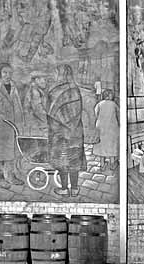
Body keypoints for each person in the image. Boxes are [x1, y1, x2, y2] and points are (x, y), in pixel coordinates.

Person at [47, 64, 85, 197]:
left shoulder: (56, 91)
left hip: (60, 132)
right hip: (75, 132)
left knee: (63, 161)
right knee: (74, 160)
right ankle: (74, 189)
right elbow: (77, 111)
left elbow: (51, 112)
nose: (54, 75)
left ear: (61, 74)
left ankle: (64, 189)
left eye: (56, 72)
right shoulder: (75, 89)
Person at [93, 89, 119, 171]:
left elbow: (95, 113)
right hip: (111, 127)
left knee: (102, 146)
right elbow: (119, 114)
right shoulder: (114, 104)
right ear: (109, 96)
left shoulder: (99, 104)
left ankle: (102, 165)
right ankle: (112, 164)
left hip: (101, 127)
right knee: (111, 145)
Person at [23, 70, 49, 137]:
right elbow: (38, 110)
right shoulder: (35, 92)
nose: (46, 82)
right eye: (44, 79)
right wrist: (48, 122)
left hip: (36, 126)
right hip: (37, 127)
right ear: (37, 80)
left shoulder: (35, 91)